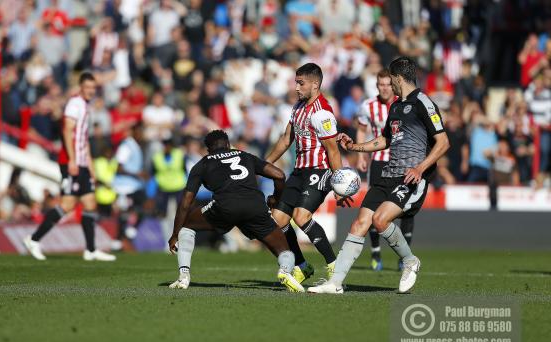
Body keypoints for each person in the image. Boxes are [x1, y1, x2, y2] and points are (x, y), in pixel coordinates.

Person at [309, 56, 450, 294]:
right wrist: (355, 147)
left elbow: (443, 142)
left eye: (390, 81)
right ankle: (335, 284)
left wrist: (420, 168)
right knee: (359, 223)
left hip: (411, 178)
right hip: (388, 174)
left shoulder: (423, 102)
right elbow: (386, 139)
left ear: (397, 78)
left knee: (381, 220)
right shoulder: (396, 106)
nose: (389, 86)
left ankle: (410, 261)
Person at [168, 130, 304, 293]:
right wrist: (276, 199)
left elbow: (185, 203)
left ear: (208, 150)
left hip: (225, 207)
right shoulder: (244, 155)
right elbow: (279, 175)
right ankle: (285, 271)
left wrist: (175, 233)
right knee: (284, 250)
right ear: (227, 144)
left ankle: (183, 276)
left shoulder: (202, 164)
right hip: (255, 206)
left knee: (187, 226)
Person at [265, 63, 346, 285]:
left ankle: (334, 266)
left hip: (319, 171)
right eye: (296, 82)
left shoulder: (323, 113)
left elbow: (333, 150)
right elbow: (285, 139)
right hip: (299, 171)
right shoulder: (298, 107)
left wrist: (338, 184)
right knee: (278, 219)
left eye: (301, 83)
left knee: (301, 217)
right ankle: (302, 265)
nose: (297, 88)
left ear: (315, 84)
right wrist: (265, 164)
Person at [23, 72, 116, 262]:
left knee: (90, 203)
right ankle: (33, 239)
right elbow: (67, 130)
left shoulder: (85, 106)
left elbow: (83, 139)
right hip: (70, 162)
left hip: (82, 163)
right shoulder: (75, 104)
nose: (91, 91)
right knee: (67, 205)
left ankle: (90, 250)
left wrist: (89, 163)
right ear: (81, 87)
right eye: (88, 87)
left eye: (93, 88)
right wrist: (73, 160)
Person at [356, 68, 416, 272]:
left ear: (393, 85)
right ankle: (375, 253)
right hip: (379, 162)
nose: (384, 88)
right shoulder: (368, 106)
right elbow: (361, 129)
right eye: (380, 85)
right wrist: (360, 154)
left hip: (402, 162)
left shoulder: (405, 105)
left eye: (387, 84)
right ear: (376, 86)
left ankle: (403, 255)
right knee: (374, 207)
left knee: (406, 209)